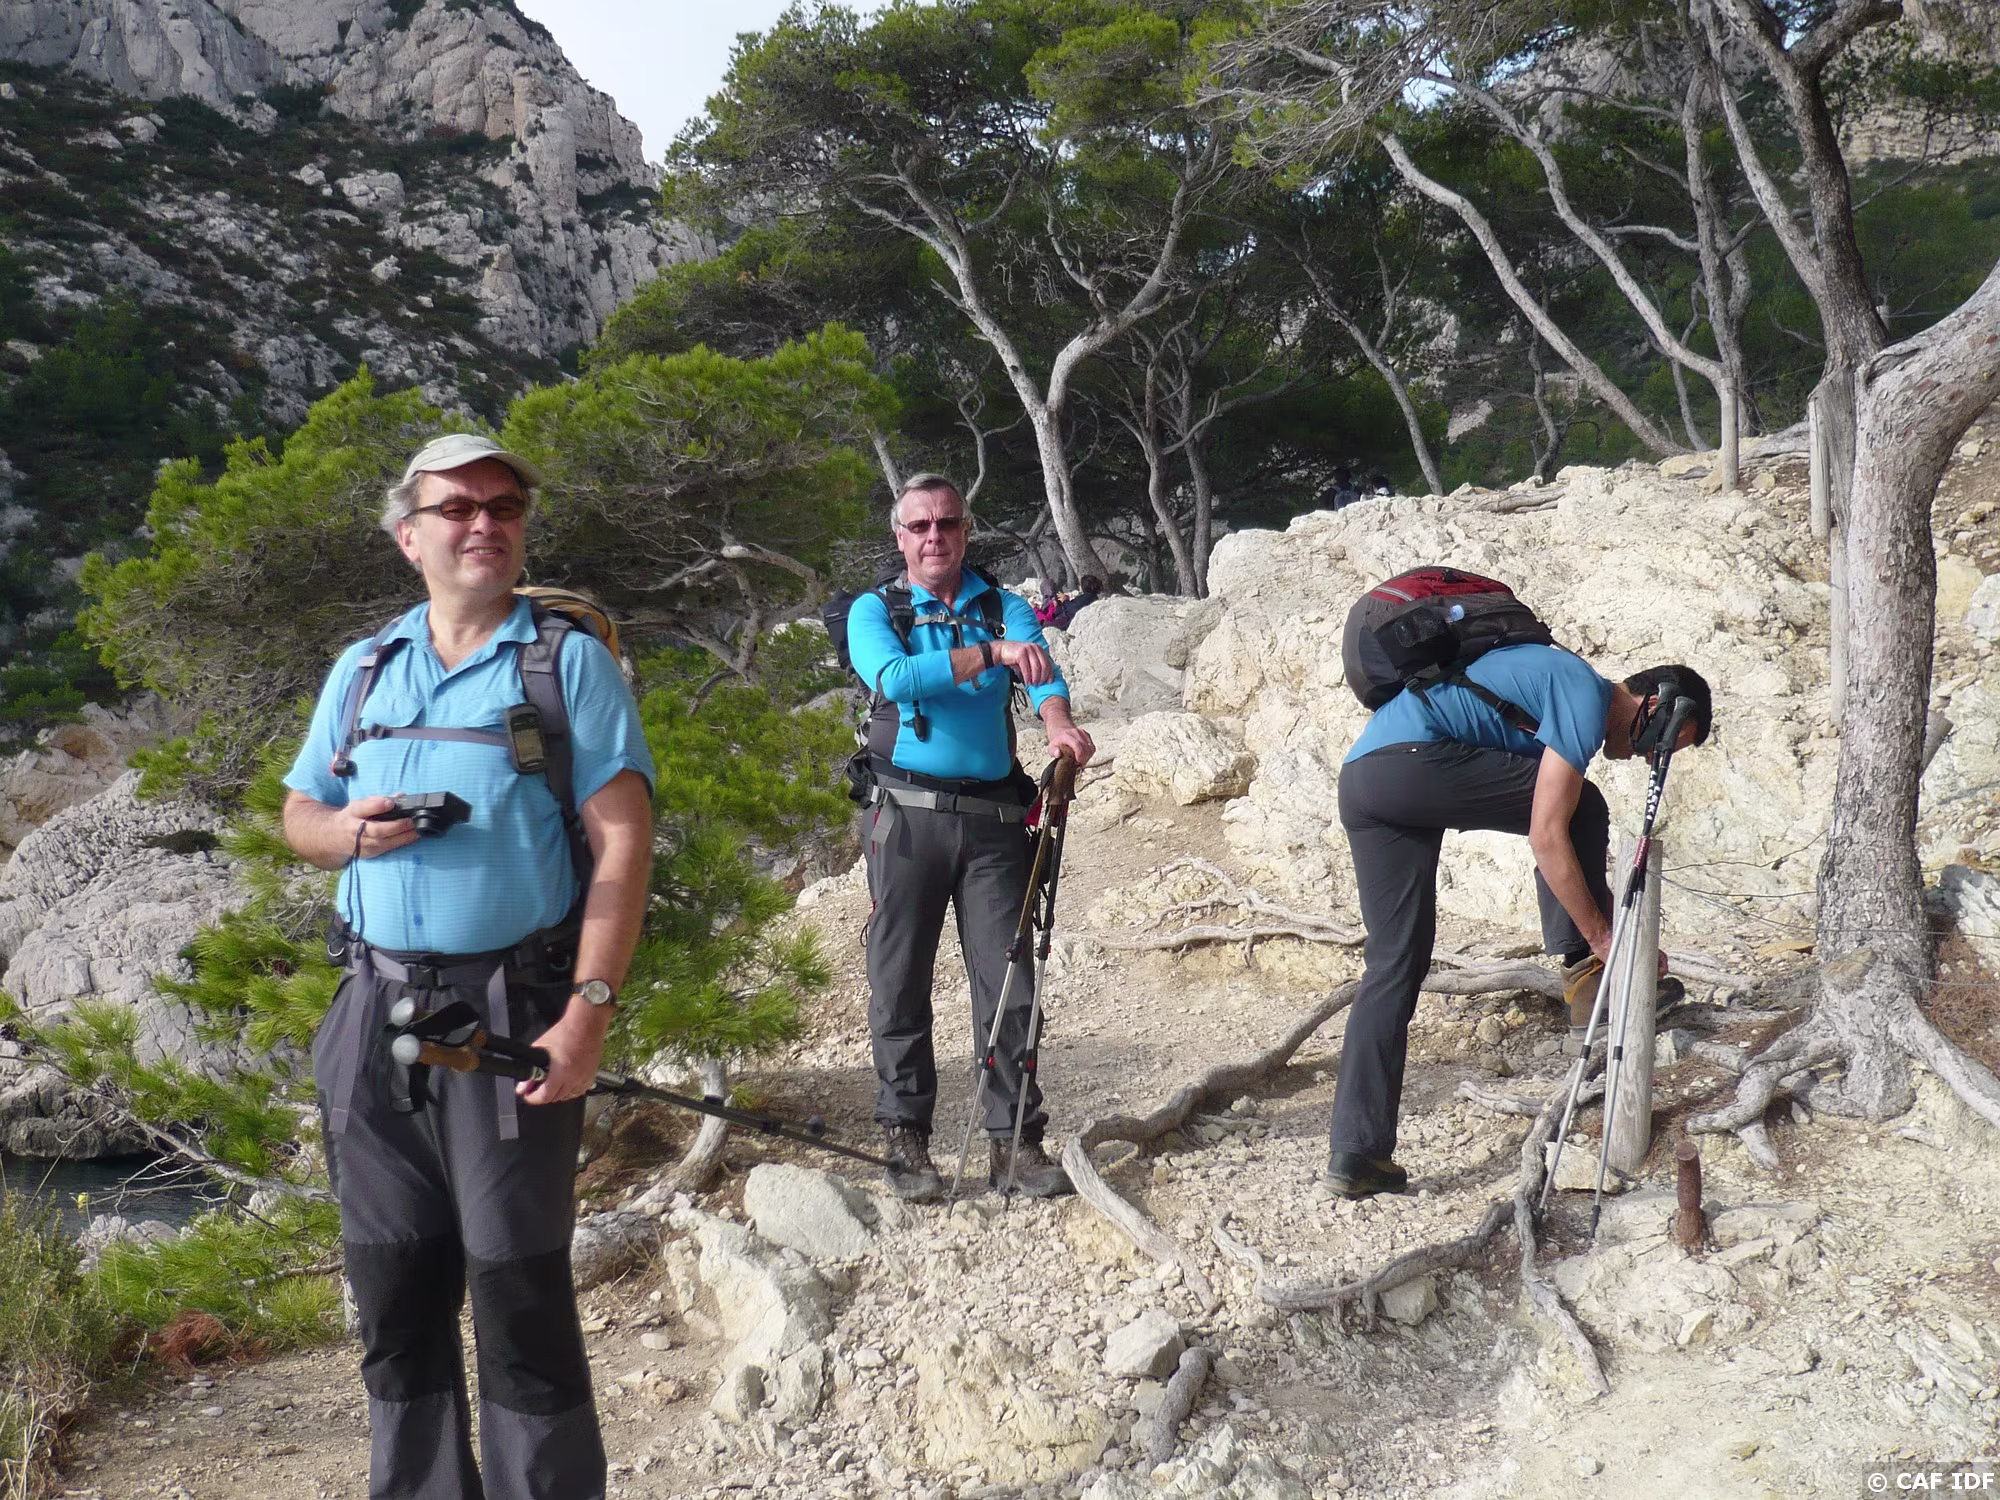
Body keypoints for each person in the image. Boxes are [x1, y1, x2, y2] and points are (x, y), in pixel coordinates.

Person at [282, 433, 655, 1499]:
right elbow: (300, 814)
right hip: (372, 1009)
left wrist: (586, 1014)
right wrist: (346, 833)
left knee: (517, 1287)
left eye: (504, 507)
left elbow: (623, 843)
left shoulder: (564, 665)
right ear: (410, 537)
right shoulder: (364, 669)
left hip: (508, 1013)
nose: (485, 523)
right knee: (394, 1289)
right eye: (457, 508)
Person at [1326, 644, 1712, 1198]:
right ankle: (1590, 979)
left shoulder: (1557, 689)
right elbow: (1547, 836)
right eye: (1669, 743)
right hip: (1415, 762)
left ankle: (1357, 1153)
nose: (1656, 760)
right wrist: (1605, 940)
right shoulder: (1584, 694)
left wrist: (1615, 932)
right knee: (1579, 807)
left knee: (1394, 964)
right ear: (1656, 705)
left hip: (1365, 780)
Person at [847, 473, 1095, 1200]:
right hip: (904, 817)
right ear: (900, 537)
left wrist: (1058, 725)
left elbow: (1043, 675)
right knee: (898, 979)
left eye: (948, 523)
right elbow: (894, 678)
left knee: (1009, 979)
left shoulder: (1003, 606)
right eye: (920, 526)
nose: (935, 537)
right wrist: (990, 656)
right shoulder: (876, 610)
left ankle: (1015, 1140)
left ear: (965, 530)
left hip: (993, 821)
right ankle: (905, 1137)